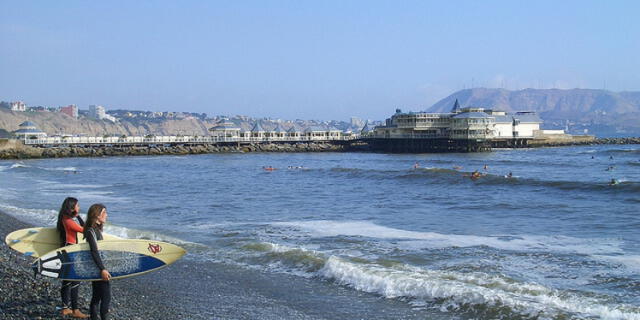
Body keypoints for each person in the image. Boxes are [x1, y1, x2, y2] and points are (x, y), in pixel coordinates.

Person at [56, 197, 89, 318]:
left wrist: (77, 215)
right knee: (75, 279)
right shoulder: (69, 221)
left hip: (66, 250)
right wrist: (79, 216)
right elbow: (85, 230)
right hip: (69, 251)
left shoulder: (64, 218)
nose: (79, 207)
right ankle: (75, 310)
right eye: (77, 205)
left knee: (67, 279)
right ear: (71, 207)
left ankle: (65, 308)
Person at [84, 204, 112, 320]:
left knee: (96, 296)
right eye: (104, 212)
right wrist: (102, 269)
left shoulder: (95, 230)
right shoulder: (92, 231)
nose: (106, 215)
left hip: (97, 267)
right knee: (106, 297)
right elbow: (94, 252)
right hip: (98, 268)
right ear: (97, 215)